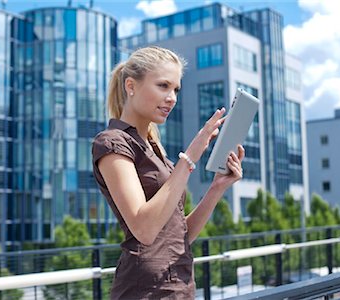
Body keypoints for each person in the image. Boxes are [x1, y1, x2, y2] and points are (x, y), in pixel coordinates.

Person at [92, 46, 245, 299]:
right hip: (145, 289)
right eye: (163, 86)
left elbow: (178, 235)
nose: (172, 97)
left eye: (175, 89)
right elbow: (144, 229)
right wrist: (190, 157)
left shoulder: (155, 149)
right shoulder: (111, 143)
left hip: (180, 284)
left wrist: (218, 187)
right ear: (131, 86)